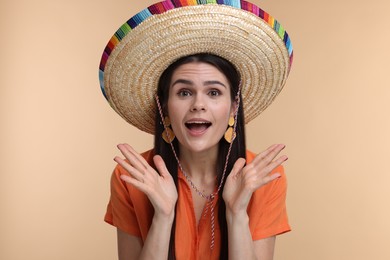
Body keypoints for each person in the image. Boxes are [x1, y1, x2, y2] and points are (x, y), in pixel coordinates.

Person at [99, 1, 293, 259]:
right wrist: (163, 216)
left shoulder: (263, 179)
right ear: (165, 107)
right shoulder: (132, 178)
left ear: (234, 106)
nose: (198, 105)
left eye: (213, 92)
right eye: (184, 92)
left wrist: (236, 214)